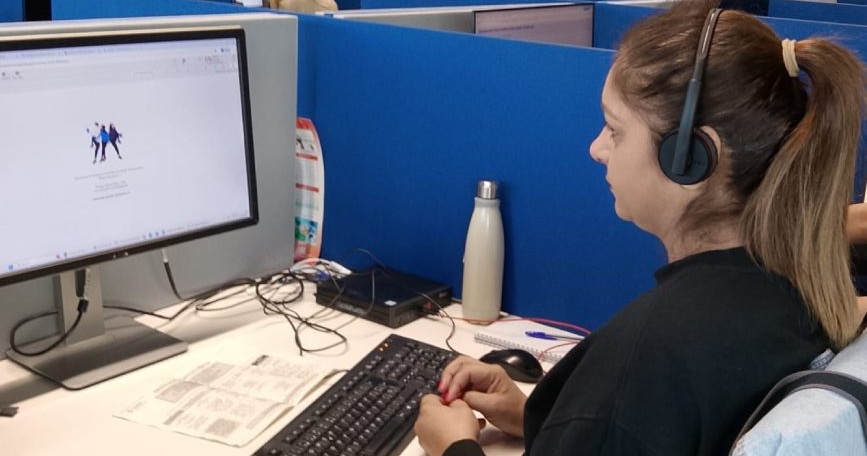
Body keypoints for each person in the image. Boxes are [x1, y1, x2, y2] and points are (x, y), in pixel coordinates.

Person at [414, 2, 867, 455]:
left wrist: (453, 447)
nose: (597, 149)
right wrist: (545, 418)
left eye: (615, 129)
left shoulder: (651, 357)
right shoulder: (796, 289)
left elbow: (635, 418)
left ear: (689, 157)